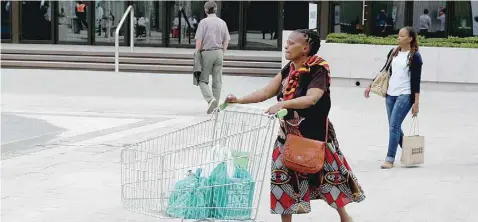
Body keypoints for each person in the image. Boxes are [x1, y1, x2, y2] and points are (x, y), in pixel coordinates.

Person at [225, 29, 365, 222]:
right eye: (287, 42)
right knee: (282, 180)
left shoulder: (319, 69)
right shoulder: (288, 69)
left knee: (329, 179)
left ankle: (344, 217)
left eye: (291, 43)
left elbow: (312, 98)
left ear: (305, 48)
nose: (286, 46)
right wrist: (239, 100)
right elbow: (266, 91)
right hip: (287, 137)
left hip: (315, 136)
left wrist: (284, 103)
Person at [364, 27, 423, 169]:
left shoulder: (415, 56)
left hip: (405, 94)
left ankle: (389, 159)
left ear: (410, 38)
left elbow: (416, 81)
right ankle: (409, 154)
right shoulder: (393, 52)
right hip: (390, 94)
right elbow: (384, 70)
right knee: (394, 126)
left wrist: (416, 102)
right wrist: (371, 85)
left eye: (402, 36)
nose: (399, 38)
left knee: (394, 126)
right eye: (398, 35)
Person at [195, 1, 230, 114]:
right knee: (217, 81)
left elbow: (199, 40)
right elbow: (226, 40)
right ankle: (215, 106)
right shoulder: (222, 23)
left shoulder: (203, 22)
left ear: (205, 10)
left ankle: (211, 100)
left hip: (207, 53)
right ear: (215, 9)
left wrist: (197, 53)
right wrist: (222, 52)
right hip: (219, 52)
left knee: (202, 80)